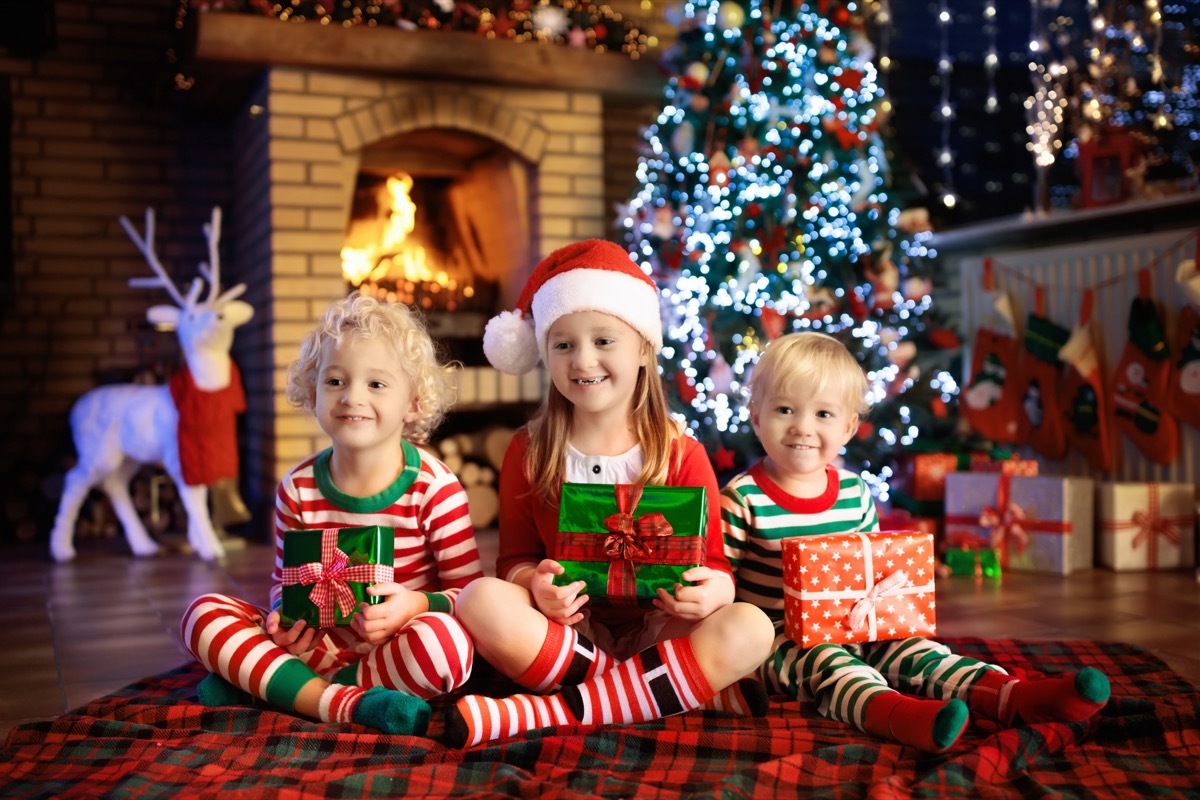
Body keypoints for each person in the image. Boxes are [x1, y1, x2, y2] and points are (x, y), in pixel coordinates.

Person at [442, 239, 776, 748]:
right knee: (480, 600)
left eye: (604, 340)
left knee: (751, 626)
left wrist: (712, 593)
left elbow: (715, 567)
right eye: (563, 344)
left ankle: (551, 711)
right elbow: (514, 559)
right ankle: (668, 691)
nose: (583, 360)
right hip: (569, 634)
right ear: (545, 354)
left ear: (643, 348)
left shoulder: (681, 453)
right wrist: (537, 584)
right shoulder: (528, 450)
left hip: (660, 630)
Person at [721, 331, 1111, 752]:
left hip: (857, 622)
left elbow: (870, 567)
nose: (803, 427)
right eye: (784, 409)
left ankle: (1010, 695)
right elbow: (721, 587)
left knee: (917, 650)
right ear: (756, 416)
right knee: (830, 664)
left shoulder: (854, 493)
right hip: (778, 638)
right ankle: (896, 714)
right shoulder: (743, 498)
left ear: (850, 426)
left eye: (823, 414)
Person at [179, 292, 484, 734]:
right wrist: (283, 622)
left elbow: (468, 598)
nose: (351, 397)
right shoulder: (297, 489)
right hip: (314, 648)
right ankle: (348, 704)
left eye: (376, 384)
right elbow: (286, 585)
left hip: (396, 651)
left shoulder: (436, 490)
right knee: (202, 614)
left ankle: (280, 690)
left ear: (413, 403)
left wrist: (416, 604)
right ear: (312, 390)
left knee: (447, 646)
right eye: (335, 381)